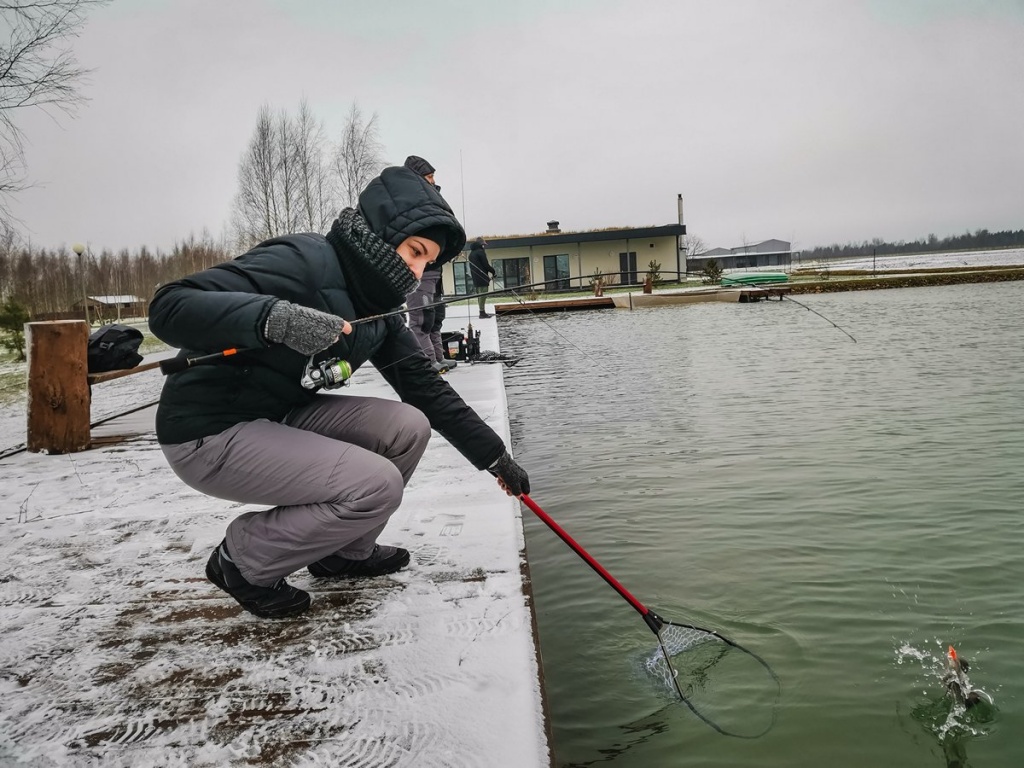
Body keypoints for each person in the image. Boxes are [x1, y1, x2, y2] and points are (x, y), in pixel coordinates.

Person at [149, 165, 530, 620]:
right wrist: (273, 317)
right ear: (382, 231)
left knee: (409, 427)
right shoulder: (302, 260)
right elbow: (169, 306)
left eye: (427, 260)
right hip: (207, 432)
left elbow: (424, 387)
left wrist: (493, 456)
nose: (417, 268)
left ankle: (343, 552)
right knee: (376, 484)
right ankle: (243, 559)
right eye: (414, 250)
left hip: (279, 414)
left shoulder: (380, 308)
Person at [402, 155, 454, 373]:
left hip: (436, 271)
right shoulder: (408, 201)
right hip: (420, 272)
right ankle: (428, 362)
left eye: (434, 176)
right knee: (421, 319)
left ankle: (438, 357)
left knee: (435, 316)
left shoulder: (434, 198)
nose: (433, 181)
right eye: (429, 177)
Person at [468, 236, 496, 318]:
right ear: (480, 245)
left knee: (479, 296)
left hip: (475, 277)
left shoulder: (471, 253)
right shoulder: (480, 252)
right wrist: (493, 271)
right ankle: (482, 313)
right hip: (482, 277)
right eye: (483, 245)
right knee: (483, 295)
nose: (484, 246)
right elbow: (486, 265)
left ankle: (482, 311)